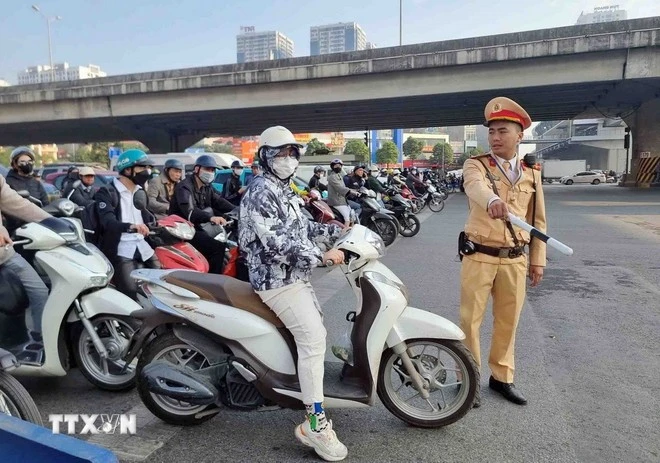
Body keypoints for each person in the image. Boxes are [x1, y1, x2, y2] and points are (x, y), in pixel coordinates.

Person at [239, 125, 347, 462]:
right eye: (280, 153)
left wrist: (339, 230)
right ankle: (315, 423)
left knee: (314, 335)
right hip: (275, 280)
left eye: (292, 153)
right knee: (314, 340)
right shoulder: (260, 192)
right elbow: (276, 243)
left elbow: (303, 229)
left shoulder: (285, 190)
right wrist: (321, 256)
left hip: (293, 276)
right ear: (266, 157)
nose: (288, 159)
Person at [459, 96, 547, 408]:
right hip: (479, 256)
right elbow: (475, 186)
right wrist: (490, 200)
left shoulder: (532, 173)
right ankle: (469, 382)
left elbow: (538, 220)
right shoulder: (477, 165)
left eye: (503, 131)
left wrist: (537, 260)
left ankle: (502, 378)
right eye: (492, 131)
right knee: (470, 321)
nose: (495, 137)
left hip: (514, 259)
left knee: (508, 321)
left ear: (520, 135)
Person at [95, 149, 161, 300]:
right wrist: (131, 226)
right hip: (121, 249)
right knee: (129, 294)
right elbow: (108, 222)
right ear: (127, 169)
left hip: (143, 246)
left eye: (148, 168)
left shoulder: (140, 191)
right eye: (142, 167)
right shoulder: (107, 192)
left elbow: (147, 216)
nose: (147, 171)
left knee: (162, 284)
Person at [0, 174, 50, 346]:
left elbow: (19, 204)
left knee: (39, 292)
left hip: (4, 254)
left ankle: (40, 339)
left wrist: (52, 222)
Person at [169, 154, 234, 274]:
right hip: (183, 230)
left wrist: (238, 210)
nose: (210, 172)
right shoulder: (184, 186)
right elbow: (190, 212)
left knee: (220, 243)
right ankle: (213, 281)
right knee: (217, 248)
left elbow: (219, 201)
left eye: (213, 170)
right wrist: (211, 217)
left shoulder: (206, 187)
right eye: (207, 169)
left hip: (198, 227)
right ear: (197, 169)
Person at [327, 159, 358, 227]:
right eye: (336, 165)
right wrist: (351, 192)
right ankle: (344, 234)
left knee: (352, 217)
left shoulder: (338, 175)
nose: (338, 167)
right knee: (347, 218)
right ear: (332, 167)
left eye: (339, 165)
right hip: (337, 202)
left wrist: (355, 191)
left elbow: (344, 187)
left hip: (342, 201)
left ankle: (351, 232)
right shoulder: (332, 177)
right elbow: (340, 188)